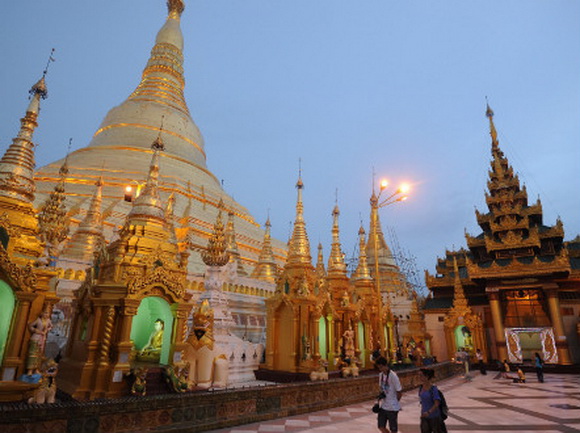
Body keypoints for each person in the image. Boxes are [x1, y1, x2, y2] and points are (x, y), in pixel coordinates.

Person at [375, 356, 402, 433]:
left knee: (393, 429)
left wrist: (395, 402)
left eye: (381, 367)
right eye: (379, 368)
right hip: (384, 405)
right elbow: (381, 388)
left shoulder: (393, 376)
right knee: (381, 426)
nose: (380, 369)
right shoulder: (381, 375)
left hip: (392, 407)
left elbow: (399, 391)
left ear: (385, 365)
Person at [418, 368, 447, 433]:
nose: (419, 377)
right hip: (424, 417)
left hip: (434, 417)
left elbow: (437, 403)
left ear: (426, 377)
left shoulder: (433, 389)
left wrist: (429, 412)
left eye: (421, 375)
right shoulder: (421, 388)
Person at [26, 310, 53, 375]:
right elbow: (30, 325)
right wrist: (36, 330)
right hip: (36, 338)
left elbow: (51, 326)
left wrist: (46, 330)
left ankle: (36, 369)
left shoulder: (48, 321)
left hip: (42, 339)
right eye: (45, 313)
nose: (46, 315)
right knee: (33, 354)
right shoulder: (38, 320)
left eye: (47, 313)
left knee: (39, 354)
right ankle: (30, 370)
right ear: (42, 313)